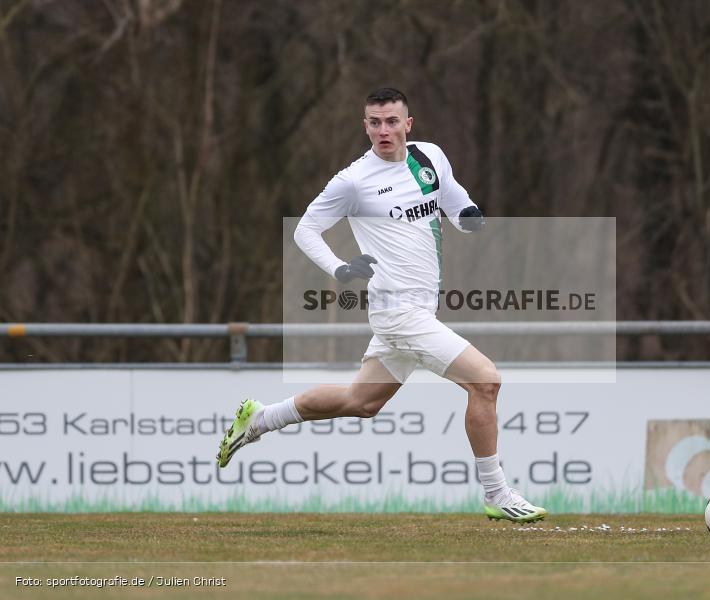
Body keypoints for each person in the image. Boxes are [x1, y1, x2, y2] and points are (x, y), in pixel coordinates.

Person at [216, 87, 547, 523]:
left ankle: (259, 419)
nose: (383, 130)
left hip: (421, 308)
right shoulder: (354, 180)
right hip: (397, 311)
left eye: (392, 121)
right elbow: (305, 231)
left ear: (408, 124)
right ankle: (497, 493)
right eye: (374, 122)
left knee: (361, 401)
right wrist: (339, 269)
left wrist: (467, 213)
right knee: (485, 382)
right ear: (365, 125)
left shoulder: (429, 157)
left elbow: (449, 194)